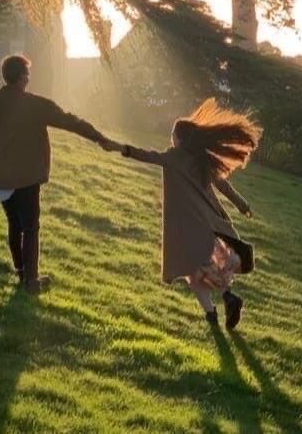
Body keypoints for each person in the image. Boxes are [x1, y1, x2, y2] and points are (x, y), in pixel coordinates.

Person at [101, 98, 261, 329]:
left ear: (180, 139)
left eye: (173, 135)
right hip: (207, 224)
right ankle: (222, 304)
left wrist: (118, 147)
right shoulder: (202, 161)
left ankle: (216, 310)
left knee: (194, 271)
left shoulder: (172, 157)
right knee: (198, 271)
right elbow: (224, 186)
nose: (171, 139)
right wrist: (242, 205)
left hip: (187, 228)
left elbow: (145, 155)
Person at [0, 55, 109, 294]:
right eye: (27, 74)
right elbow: (69, 121)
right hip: (27, 176)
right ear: (23, 77)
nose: (28, 78)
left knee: (14, 223)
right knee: (30, 227)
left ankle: (22, 273)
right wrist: (99, 138)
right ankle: (31, 282)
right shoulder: (35, 104)